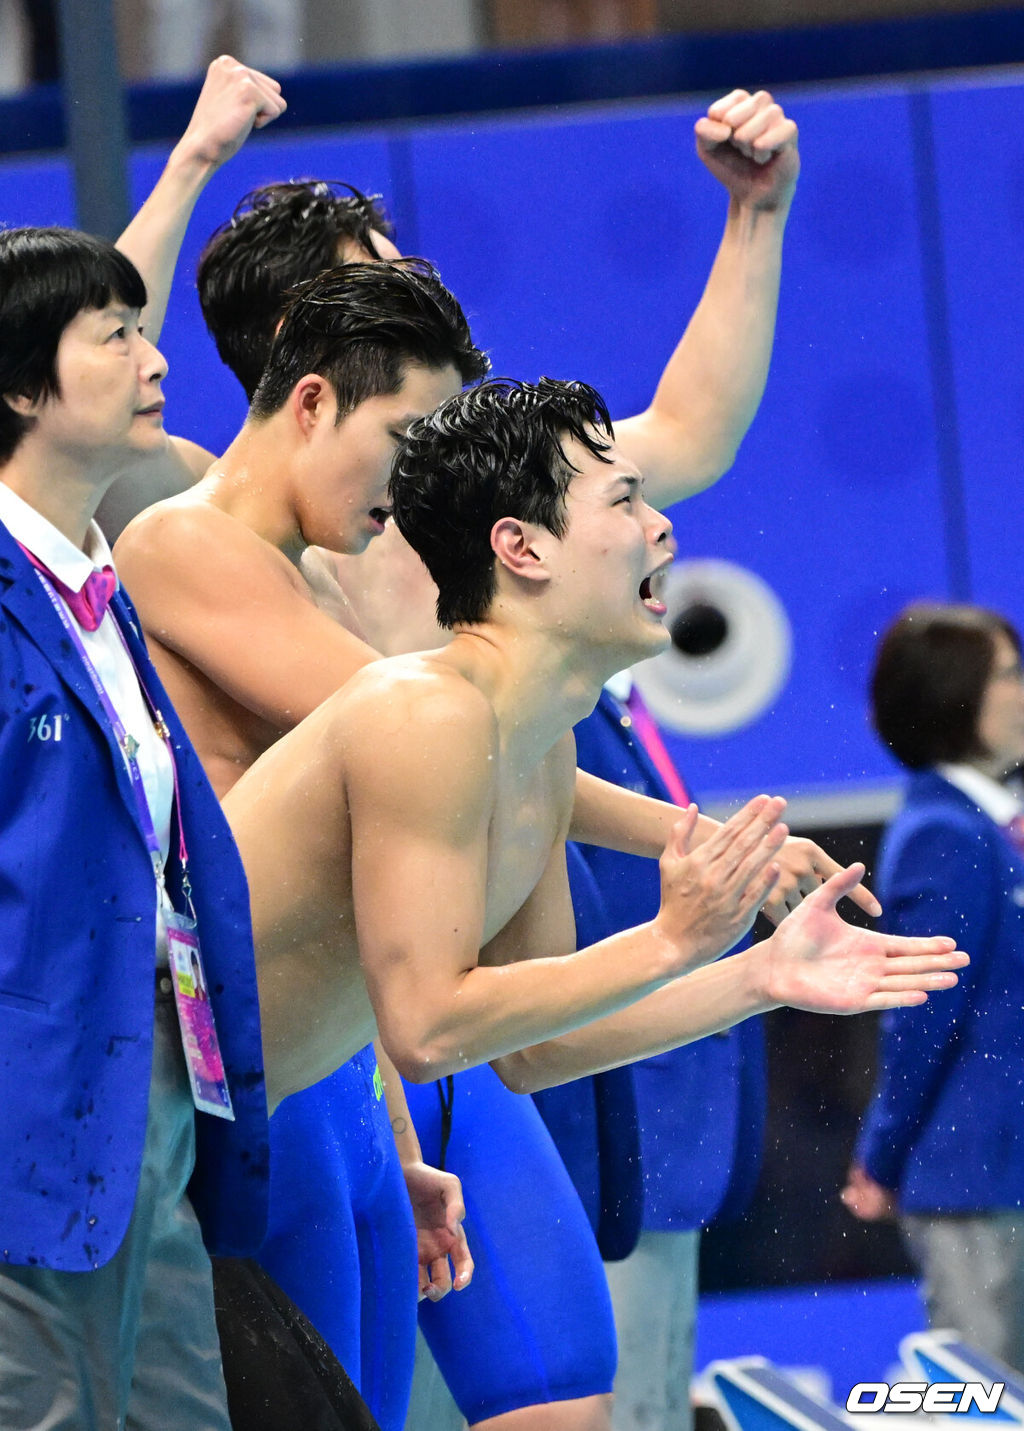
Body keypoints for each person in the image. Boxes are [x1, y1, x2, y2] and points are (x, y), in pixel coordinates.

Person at [222, 376, 967, 1427]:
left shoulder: (534, 739)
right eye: (622, 502)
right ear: (520, 548)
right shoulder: (420, 717)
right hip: (159, 1143)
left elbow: (536, 1049)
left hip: (293, 1111)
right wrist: (671, 939)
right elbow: (430, 1025)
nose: (660, 526)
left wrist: (755, 977)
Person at [115, 259, 487, 1430]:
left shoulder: (314, 578)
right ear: (315, 394)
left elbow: (324, 924)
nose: (417, 472)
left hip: (336, 1086)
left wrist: (384, 1118)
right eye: (406, 432)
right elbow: (439, 737)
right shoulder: (182, 543)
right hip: (248, 1095)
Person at [0, 226, 268, 1430]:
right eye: (115, 335)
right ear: (19, 384)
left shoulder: (99, 586)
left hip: (152, 1077)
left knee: (175, 1411)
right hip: (24, 1101)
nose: (154, 359)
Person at [842, 603, 1024, 1371]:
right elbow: (920, 1013)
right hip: (975, 1178)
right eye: (1009, 673)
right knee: (987, 1401)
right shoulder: (942, 835)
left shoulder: (992, 825)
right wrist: (881, 1157)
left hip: (1000, 1176)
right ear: (957, 696)